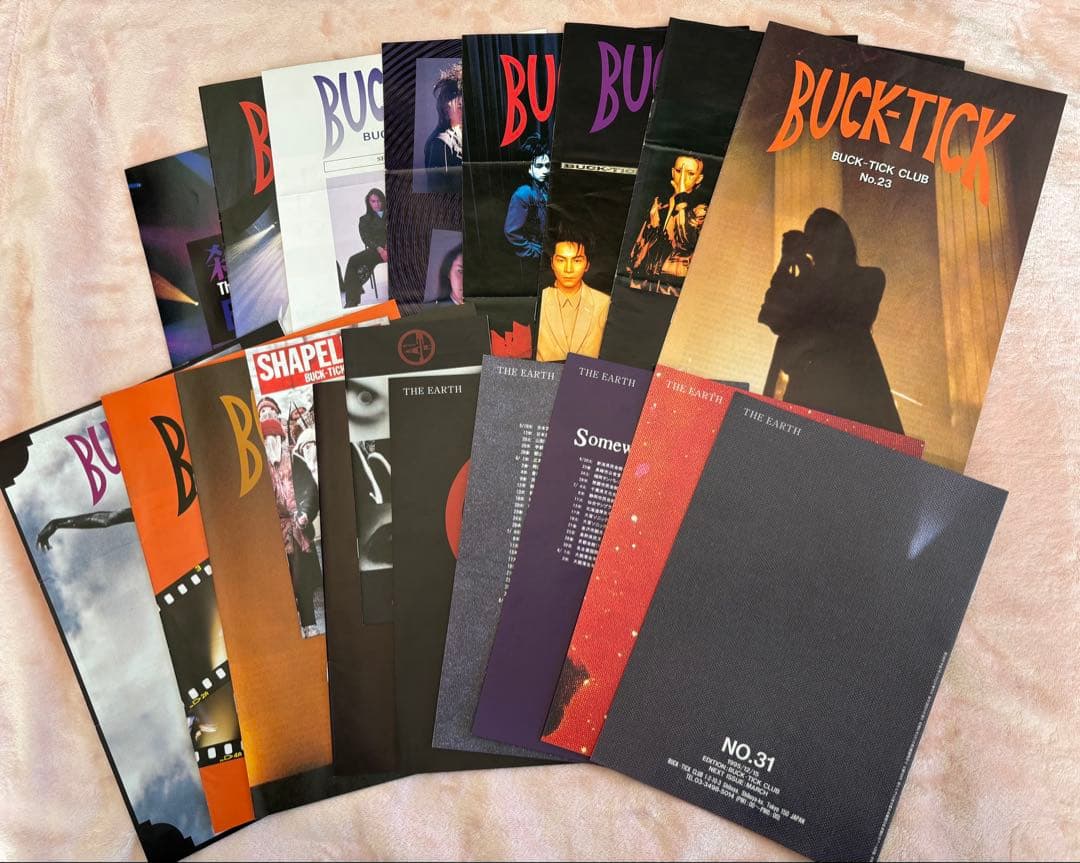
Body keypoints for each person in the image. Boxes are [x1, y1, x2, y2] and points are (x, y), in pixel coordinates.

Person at [758, 207, 904, 434]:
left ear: (838, 242)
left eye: (821, 238)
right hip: (808, 388)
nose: (816, 247)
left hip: (854, 389)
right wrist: (786, 261)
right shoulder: (807, 282)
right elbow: (772, 315)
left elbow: (839, 308)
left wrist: (804, 268)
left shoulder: (869, 278)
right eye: (812, 239)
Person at [262, 417, 321, 632]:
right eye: (266, 438)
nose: (271, 442)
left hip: (297, 531)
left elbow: (308, 490)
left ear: (281, 438)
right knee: (280, 583)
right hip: (273, 534)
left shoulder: (295, 460)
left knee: (302, 580)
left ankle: (310, 624)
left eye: (274, 437)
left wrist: (305, 513)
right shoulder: (259, 468)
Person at [627, 155, 709, 296]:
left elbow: (686, 243)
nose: (682, 178)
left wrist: (681, 198)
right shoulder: (660, 204)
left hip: (674, 287)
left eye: (690, 173)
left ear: (699, 179)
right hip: (645, 282)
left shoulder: (701, 209)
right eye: (679, 171)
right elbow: (638, 249)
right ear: (672, 172)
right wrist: (652, 227)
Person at [535, 230, 610, 362]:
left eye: (576, 260)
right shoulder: (538, 301)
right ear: (552, 263)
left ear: (587, 265)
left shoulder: (604, 304)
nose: (568, 269)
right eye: (561, 260)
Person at [504, 133, 550, 259]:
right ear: (528, 168)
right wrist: (533, 252)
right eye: (539, 166)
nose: (545, 170)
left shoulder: (545, 186)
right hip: (532, 258)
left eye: (547, 165)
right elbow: (511, 232)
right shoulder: (523, 193)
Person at [342, 188, 388, 306]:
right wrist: (380, 249)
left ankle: (355, 288)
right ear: (368, 202)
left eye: (379, 201)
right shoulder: (364, 219)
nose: (377, 204)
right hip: (376, 251)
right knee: (353, 261)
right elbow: (366, 238)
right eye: (373, 201)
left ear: (383, 200)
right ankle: (352, 301)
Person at [424, 63, 463, 187]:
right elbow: (438, 191)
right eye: (460, 106)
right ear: (446, 108)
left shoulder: (460, 134)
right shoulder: (440, 143)